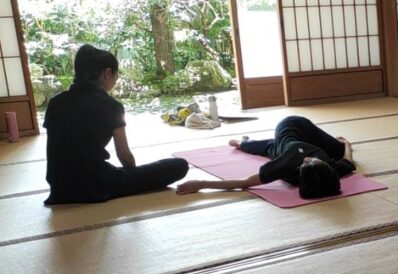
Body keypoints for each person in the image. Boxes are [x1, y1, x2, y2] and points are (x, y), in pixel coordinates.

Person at [43, 45, 189, 205]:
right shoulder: (111, 106)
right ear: (107, 73)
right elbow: (124, 155)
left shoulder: (55, 103)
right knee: (179, 165)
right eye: (116, 74)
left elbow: (57, 149)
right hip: (96, 186)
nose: (116, 79)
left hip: (59, 188)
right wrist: (134, 177)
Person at [176, 116, 355, 199]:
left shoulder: (285, 165)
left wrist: (201, 184)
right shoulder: (330, 170)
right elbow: (348, 160)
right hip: (297, 125)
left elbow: (244, 182)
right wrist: (347, 144)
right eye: (316, 160)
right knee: (338, 150)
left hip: (287, 136)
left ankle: (243, 143)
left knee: (272, 147)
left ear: (301, 168)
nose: (309, 158)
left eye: (308, 161)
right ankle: (245, 143)